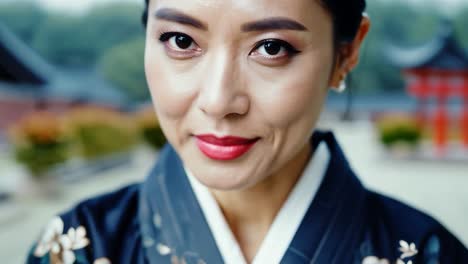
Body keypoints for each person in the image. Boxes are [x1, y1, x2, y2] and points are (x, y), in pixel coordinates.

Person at [27, 0, 468, 263]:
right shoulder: (79, 245)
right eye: (181, 41)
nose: (218, 100)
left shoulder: (424, 253)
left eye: (271, 48)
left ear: (347, 53)